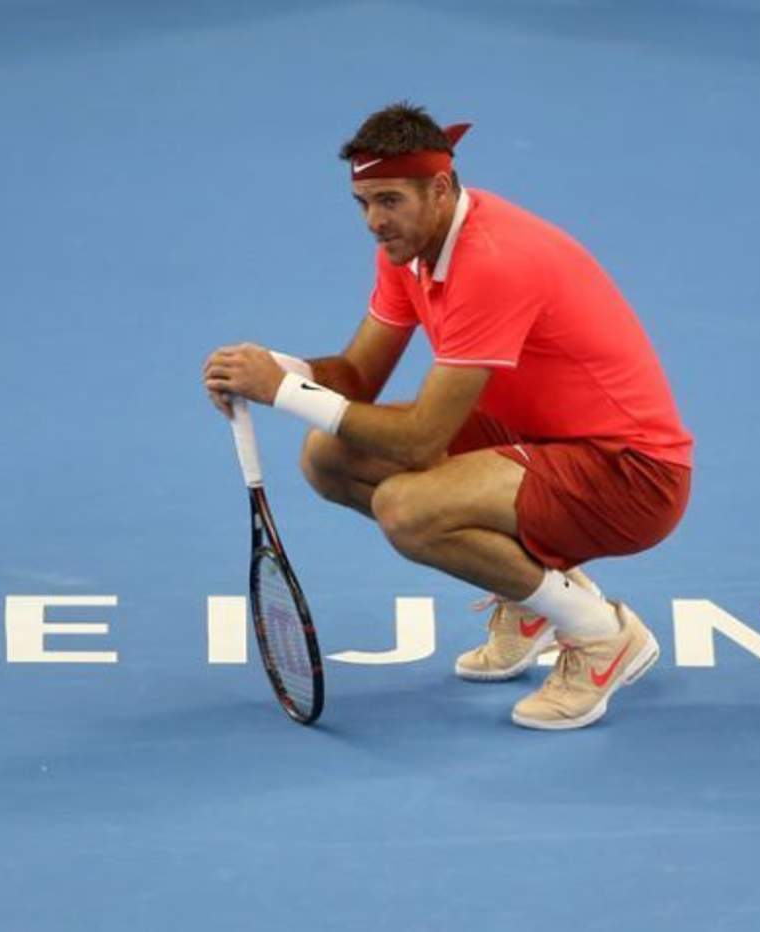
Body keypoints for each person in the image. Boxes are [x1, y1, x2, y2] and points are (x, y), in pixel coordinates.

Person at [203, 102, 692, 730]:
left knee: (408, 509)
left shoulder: (491, 261)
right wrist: (270, 368)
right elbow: (357, 376)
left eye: (389, 201)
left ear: (439, 189)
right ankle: (533, 601)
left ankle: (601, 635)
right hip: (538, 437)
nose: (374, 222)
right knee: (329, 456)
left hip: (632, 476)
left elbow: (418, 441)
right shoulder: (408, 249)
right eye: (363, 203)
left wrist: (282, 392)